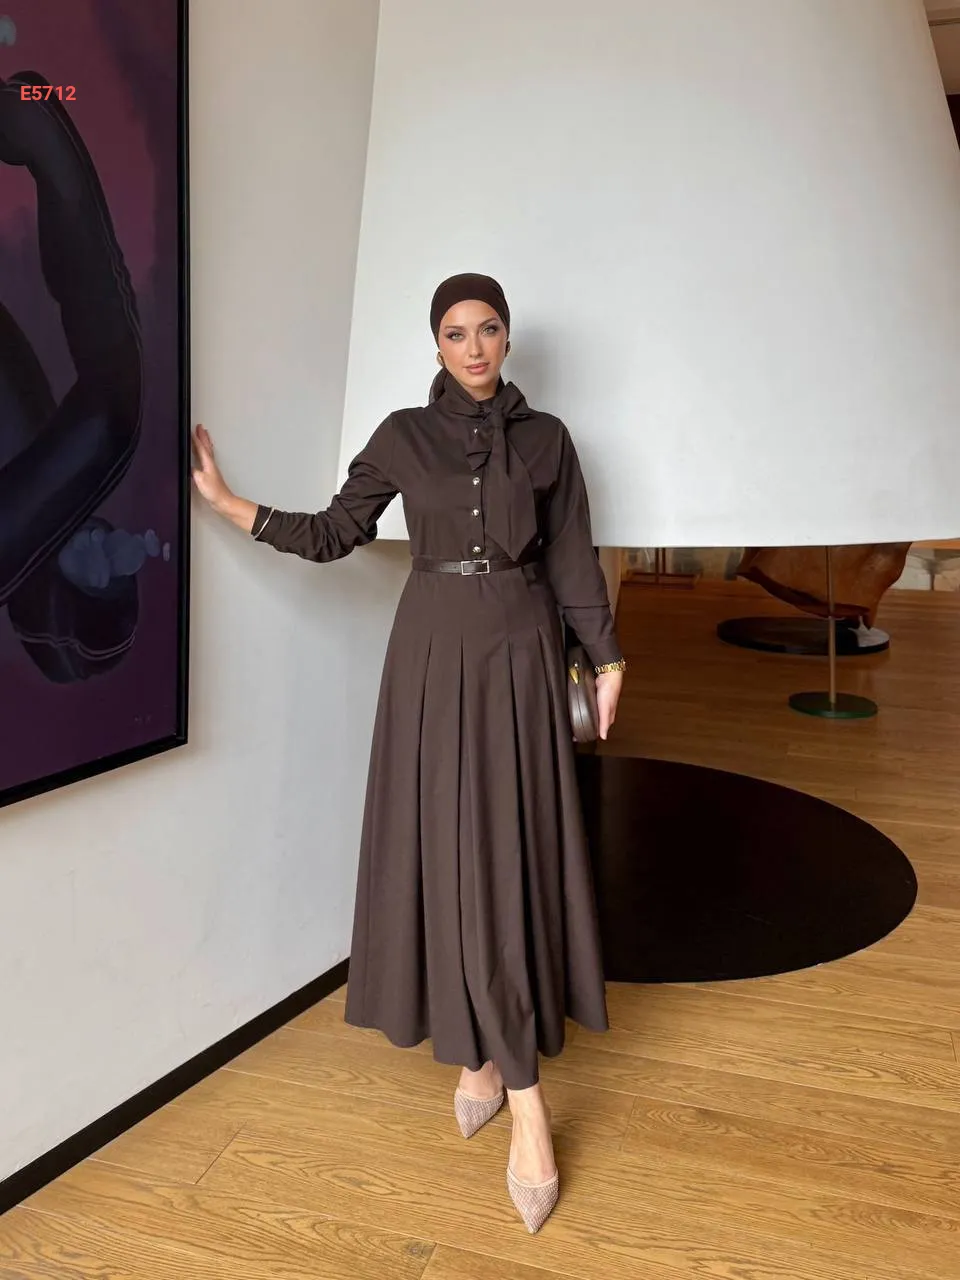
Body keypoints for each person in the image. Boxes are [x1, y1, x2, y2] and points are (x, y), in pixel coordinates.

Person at [191, 273, 625, 1234]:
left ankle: (508, 1078)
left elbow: (572, 557)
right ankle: (498, 1073)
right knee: (451, 857)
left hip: (520, 651)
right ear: (436, 345)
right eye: (455, 333)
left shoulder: (549, 440)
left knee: (506, 858)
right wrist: (227, 504)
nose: (474, 347)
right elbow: (335, 532)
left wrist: (607, 658)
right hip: (430, 655)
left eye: (489, 329)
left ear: (507, 339)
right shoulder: (401, 435)